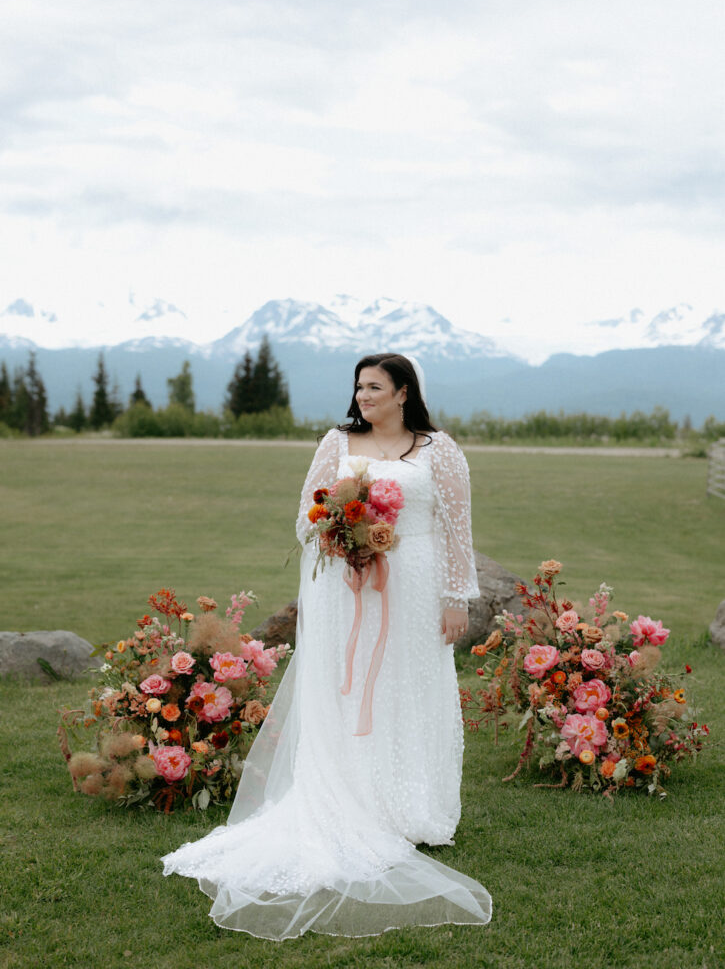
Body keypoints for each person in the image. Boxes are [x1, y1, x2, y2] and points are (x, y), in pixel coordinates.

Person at [161, 352, 492, 939]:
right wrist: (344, 536)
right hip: (344, 586)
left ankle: (409, 806)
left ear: (404, 392)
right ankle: (345, 796)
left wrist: (456, 597)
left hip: (414, 583)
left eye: (374, 387)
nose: (363, 397)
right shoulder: (338, 441)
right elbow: (305, 515)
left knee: (408, 685)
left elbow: (457, 527)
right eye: (359, 387)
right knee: (343, 685)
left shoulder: (439, 450)